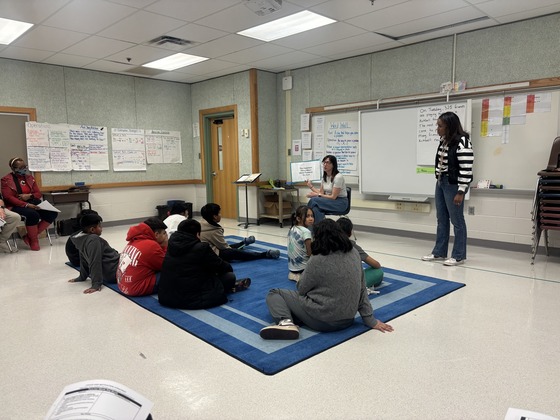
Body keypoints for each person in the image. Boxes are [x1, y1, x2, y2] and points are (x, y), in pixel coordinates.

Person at [260, 219, 394, 340]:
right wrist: (370, 320)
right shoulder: (354, 253)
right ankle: (291, 317)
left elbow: (301, 289)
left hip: (323, 321)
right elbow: (362, 290)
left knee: (275, 294)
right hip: (347, 320)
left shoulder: (317, 259)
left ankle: (286, 323)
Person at [158, 219, 251, 309]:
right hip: (192, 299)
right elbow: (222, 267)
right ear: (198, 234)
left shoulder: (171, 244)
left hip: (167, 297)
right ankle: (227, 288)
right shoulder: (201, 247)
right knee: (229, 277)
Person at [422, 112, 474, 266]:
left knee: (457, 220)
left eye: (440, 126)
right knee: (441, 219)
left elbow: (466, 169)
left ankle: (458, 255)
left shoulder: (463, 142)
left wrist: (461, 191)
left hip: (454, 185)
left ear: (449, 127)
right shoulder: (444, 140)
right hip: (441, 182)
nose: (437, 129)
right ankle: (439, 252)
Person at [1, 157, 58, 251]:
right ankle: (34, 241)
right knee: (32, 214)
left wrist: (30, 196)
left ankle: (29, 237)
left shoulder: (30, 178)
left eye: (25, 166)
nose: (24, 169)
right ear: (13, 169)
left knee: (52, 212)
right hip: (16, 205)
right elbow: (8, 197)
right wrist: (26, 205)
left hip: (32, 202)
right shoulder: (6, 180)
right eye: (20, 168)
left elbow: (38, 194)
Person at [199, 203, 280, 262]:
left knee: (230, 248)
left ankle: (243, 243)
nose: (221, 215)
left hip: (207, 251)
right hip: (212, 255)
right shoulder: (213, 230)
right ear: (214, 216)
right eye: (219, 213)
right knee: (234, 252)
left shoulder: (202, 224)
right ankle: (264, 254)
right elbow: (224, 248)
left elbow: (221, 246)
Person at [69, 213, 120, 294]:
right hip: (114, 270)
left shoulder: (80, 238)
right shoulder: (93, 239)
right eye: (99, 226)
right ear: (92, 230)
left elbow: (83, 257)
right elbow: (95, 261)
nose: (101, 228)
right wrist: (96, 284)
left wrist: (82, 277)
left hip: (110, 269)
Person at [117, 217, 168, 297]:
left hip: (122, 285)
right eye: (164, 233)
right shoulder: (151, 245)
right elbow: (166, 265)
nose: (166, 236)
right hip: (135, 288)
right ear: (156, 235)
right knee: (173, 271)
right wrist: (165, 246)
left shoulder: (134, 240)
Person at [336, 217, 384, 288]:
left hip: (330, 281)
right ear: (350, 233)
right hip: (349, 284)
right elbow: (376, 265)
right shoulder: (352, 246)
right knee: (378, 272)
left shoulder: (325, 244)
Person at [306, 155, 348, 223]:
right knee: (316, 209)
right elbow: (321, 193)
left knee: (314, 200)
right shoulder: (324, 177)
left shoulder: (338, 177)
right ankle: (319, 231)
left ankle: (304, 222)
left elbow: (333, 197)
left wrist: (317, 195)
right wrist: (311, 186)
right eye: (324, 163)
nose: (325, 165)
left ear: (333, 165)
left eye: (327, 162)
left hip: (340, 203)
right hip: (328, 201)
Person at [287, 205, 314, 282]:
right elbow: (310, 253)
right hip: (303, 268)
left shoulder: (293, 228)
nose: (311, 219)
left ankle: (295, 274)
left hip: (292, 268)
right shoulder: (306, 232)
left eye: (312, 216)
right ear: (298, 219)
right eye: (307, 216)